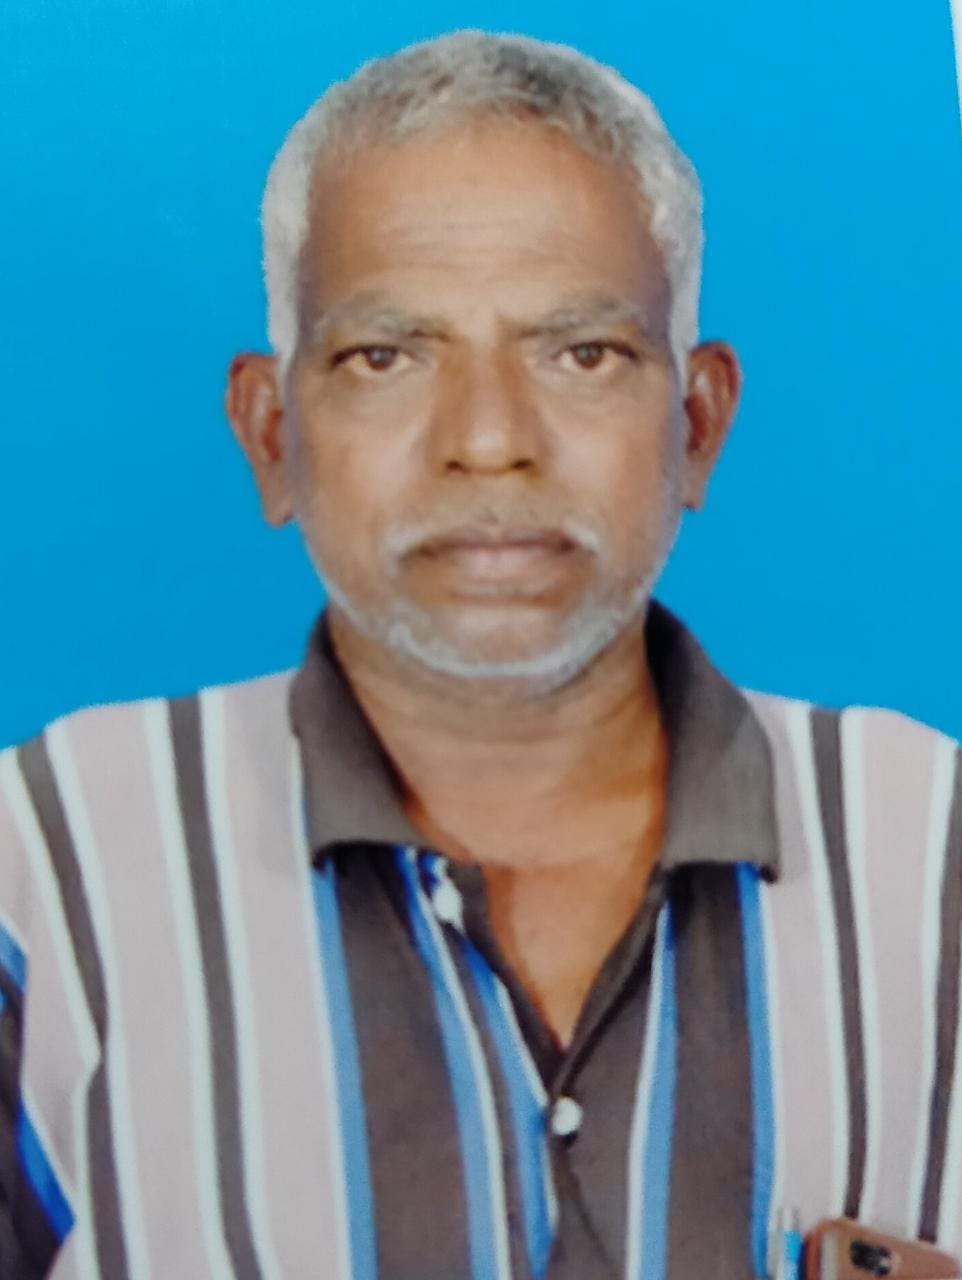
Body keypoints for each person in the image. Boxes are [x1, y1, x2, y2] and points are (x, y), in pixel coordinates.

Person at [0, 29, 959, 1280]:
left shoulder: (934, 857)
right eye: (386, 356)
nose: (490, 438)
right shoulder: (41, 870)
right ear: (272, 433)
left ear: (695, 423)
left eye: (580, 352)